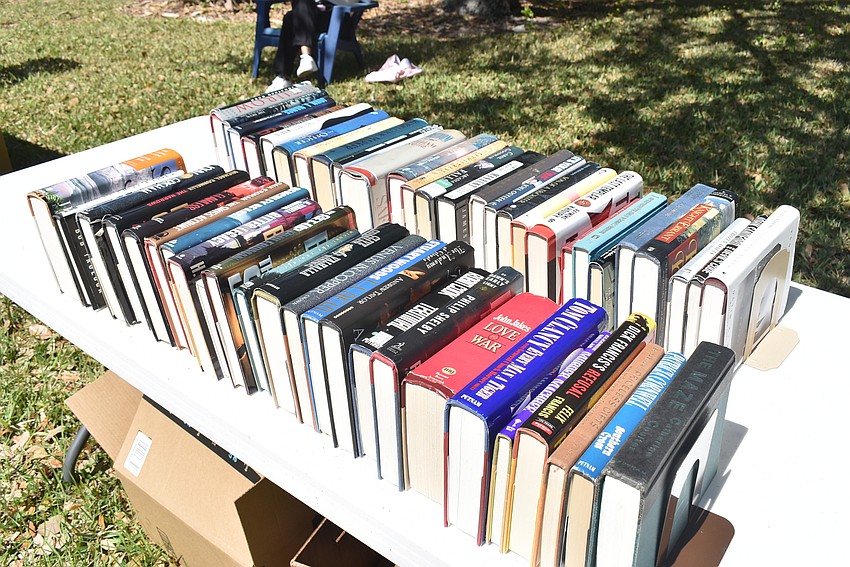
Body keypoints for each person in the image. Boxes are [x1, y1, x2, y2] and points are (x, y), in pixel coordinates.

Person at [267, 0, 332, 93]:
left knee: (297, 10)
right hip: (308, 15)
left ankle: (301, 60)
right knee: (290, 17)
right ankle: (285, 76)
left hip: (331, 15)